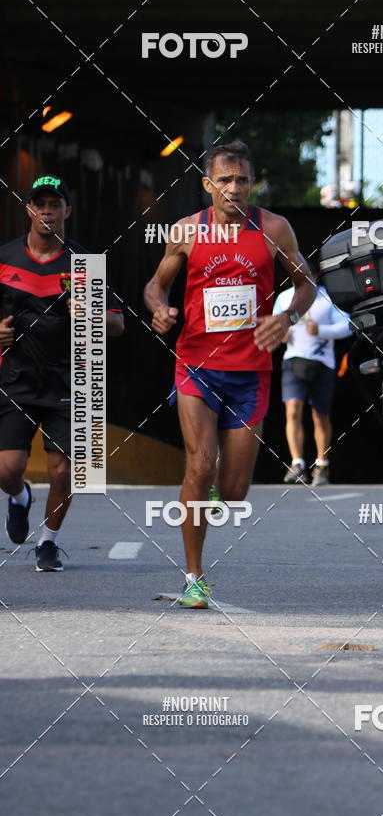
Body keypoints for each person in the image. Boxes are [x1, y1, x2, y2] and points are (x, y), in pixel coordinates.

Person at [144, 141, 316, 608]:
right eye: (224, 180)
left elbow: (307, 283)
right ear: (208, 185)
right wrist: (159, 309)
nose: (234, 188)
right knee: (200, 466)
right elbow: (156, 284)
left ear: (251, 183)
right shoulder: (186, 231)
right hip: (196, 366)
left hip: (251, 371)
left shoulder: (274, 229)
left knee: (235, 491)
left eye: (242, 179)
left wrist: (288, 317)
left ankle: (215, 494)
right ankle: (194, 576)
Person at [0, 175, 124, 570]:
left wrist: (90, 316)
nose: (47, 211)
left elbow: (118, 324)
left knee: (64, 469)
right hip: (16, 379)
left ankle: (48, 543)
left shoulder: (85, 264)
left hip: (73, 380)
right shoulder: (4, 258)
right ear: (29, 210)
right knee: (7, 470)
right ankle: (19, 498)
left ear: (67, 211)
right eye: (40, 204)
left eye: (55, 204)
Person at [273, 260, 351, 486]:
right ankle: (297, 463)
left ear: (315, 276)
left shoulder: (327, 298)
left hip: (322, 363)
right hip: (293, 359)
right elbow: (274, 325)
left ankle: (322, 465)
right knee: (293, 411)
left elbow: (348, 324)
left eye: (306, 274)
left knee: (320, 415)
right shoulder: (285, 298)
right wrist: (281, 335)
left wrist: (322, 330)